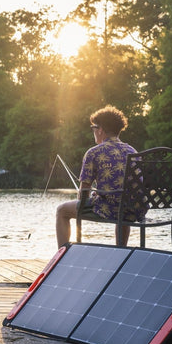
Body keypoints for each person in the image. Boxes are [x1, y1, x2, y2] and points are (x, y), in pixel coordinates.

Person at [55, 105, 143, 248]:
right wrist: (100, 194)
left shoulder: (94, 153)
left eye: (93, 127)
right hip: (133, 209)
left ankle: (61, 255)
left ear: (100, 130)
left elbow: (83, 194)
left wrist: (91, 196)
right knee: (122, 206)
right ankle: (121, 250)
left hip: (109, 209)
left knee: (62, 210)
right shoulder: (133, 151)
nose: (93, 131)